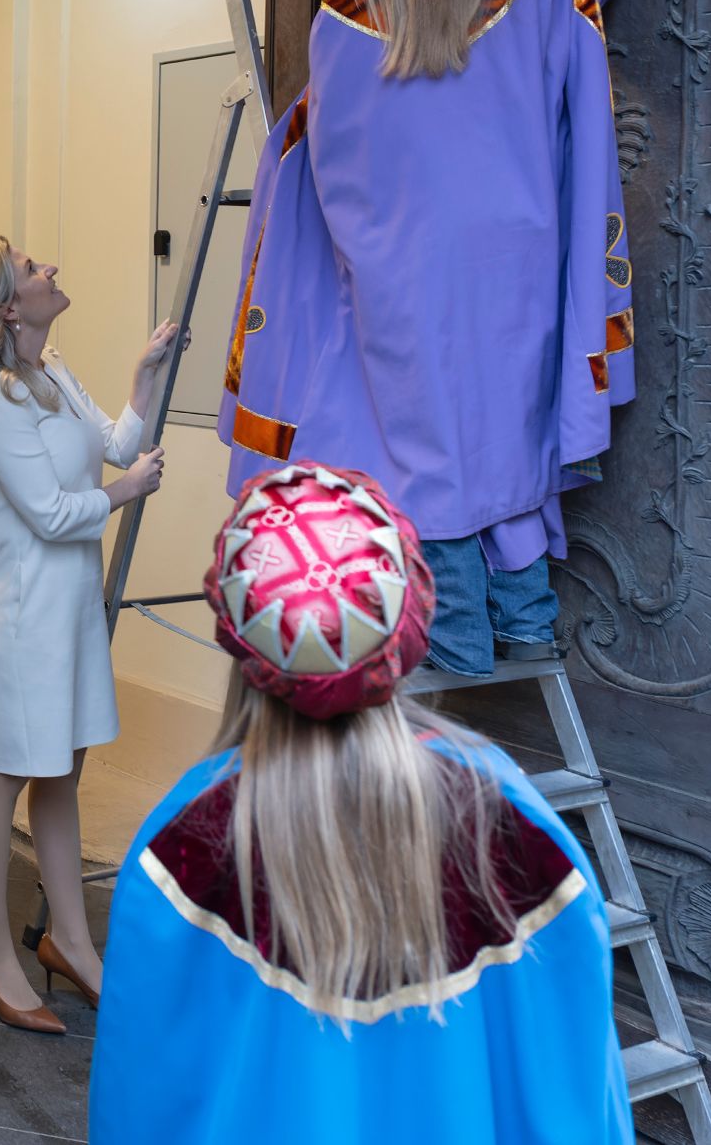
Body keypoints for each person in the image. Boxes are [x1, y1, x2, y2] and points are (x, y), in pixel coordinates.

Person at [89, 462, 633, 1143]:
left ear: (241, 636)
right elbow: (578, 1101)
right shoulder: (516, 830)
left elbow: (139, 1107)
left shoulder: (183, 849)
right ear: (408, 616)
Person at [220, 0, 632, 676]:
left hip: (399, 282)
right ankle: (524, 620)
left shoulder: (345, 13)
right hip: (514, 273)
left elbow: (329, 161)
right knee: (503, 437)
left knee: (425, 450)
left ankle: (458, 648)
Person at [0, 237, 174, 1032]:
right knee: (3, 772)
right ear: (7, 306)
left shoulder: (53, 368)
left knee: (63, 770)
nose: (52, 270)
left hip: (69, 601)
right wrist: (124, 494)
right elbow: (47, 510)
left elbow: (116, 443)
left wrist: (144, 376)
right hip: (24, 607)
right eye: (35, 269)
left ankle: (70, 942)